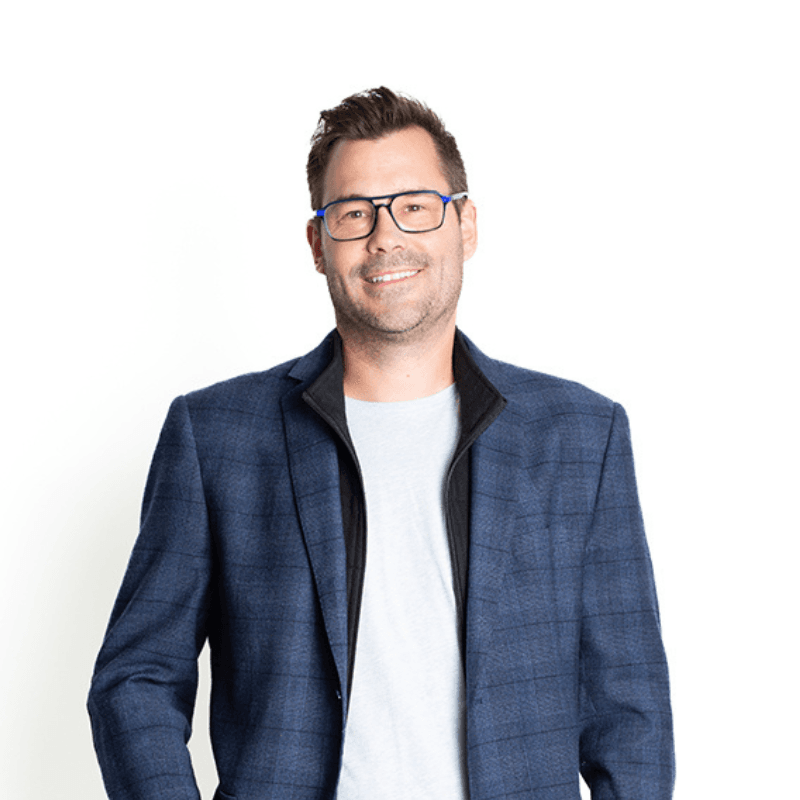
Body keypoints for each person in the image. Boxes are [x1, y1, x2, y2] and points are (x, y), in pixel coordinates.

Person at [89, 87, 675, 800]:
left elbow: (631, 715)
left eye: (415, 206)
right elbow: (136, 680)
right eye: (353, 213)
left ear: (465, 224)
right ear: (318, 244)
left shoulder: (580, 435)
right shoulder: (216, 435)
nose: (385, 237)